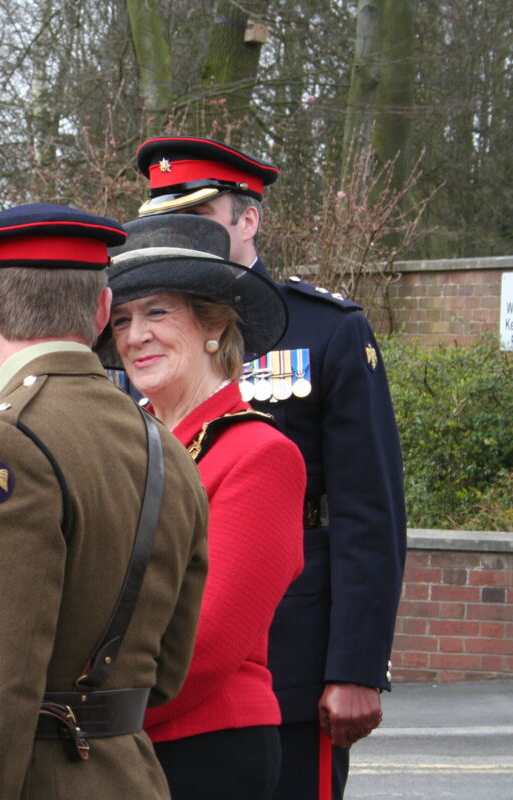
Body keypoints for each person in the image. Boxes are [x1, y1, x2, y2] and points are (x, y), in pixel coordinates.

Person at [135, 135, 407, 799]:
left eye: (196, 220)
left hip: (291, 656)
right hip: (161, 655)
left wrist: (356, 666)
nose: (179, 235)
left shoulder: (326, 330)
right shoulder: (143, 332)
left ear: (247, 219)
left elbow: (368, 509)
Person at [0, 204, 209, 798]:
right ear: (103, 312)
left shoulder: (4, 441)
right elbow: (168, 668)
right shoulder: (166, 446)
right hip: (132, 775)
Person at [103, 214, 305, 799]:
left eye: (156, 312)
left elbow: (207, 648)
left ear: (214, 322)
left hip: (204, 751)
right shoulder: (123, 444)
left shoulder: (261, 453)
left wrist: (92, 718)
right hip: (120, 738)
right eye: (120, 319)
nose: (134, 334)